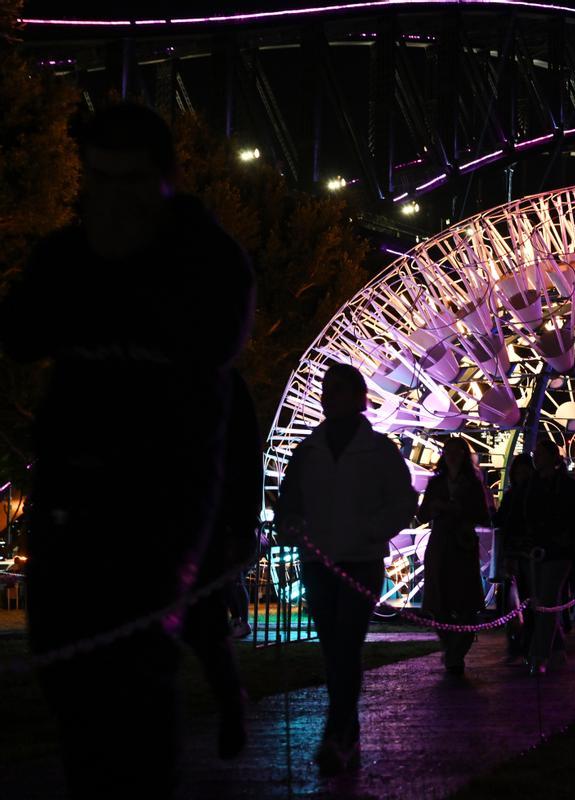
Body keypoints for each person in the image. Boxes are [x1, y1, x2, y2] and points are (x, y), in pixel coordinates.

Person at [0, 103, 254, 797]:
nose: (110, 199)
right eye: (97, 180)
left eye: (128, 181)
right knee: (64, 663)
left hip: (161, 494)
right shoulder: (67, 256)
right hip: (70, 486)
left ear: (168, 178)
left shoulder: (205, 260)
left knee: (134, 670)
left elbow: (215, 353)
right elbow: (20, 333)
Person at [277, 363, 417, 774]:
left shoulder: (380, 451)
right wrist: (290, 523)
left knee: (345, 645)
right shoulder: (308, 451)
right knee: (333, 649)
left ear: (358, 398)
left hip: (360, 561)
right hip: (319, 562)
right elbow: (289, 499)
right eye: (325, 389)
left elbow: (404, 501)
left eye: (337, 390)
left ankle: (335, 733)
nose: (327, 396)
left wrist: (373, 532)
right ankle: (346, 728)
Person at [181, 370, 261, 760]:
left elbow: (246, 457)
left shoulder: (220, 380)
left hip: (204, 521)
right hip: (188, 518)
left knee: (204, 620)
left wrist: (242, 525)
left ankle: (230, 701)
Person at [417, 436, 492, 675]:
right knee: (439, 602)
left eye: (456, 452)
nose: (451, 456)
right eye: (447, 451)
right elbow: (422, 515)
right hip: (441, 545)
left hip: (461, 545)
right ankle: (452, 648)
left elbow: (483, 515)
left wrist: (460, 510)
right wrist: (436, 507)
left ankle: (456, 652)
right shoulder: (436, 484)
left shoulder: (473, 484)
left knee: (466, 603)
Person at [524, 439, 575, 674]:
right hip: (535, 551)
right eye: (536, 453)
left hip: (558, 553)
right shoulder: (532, 486)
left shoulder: (566, 488)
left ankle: (538, 654)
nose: (536, 458)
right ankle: (556, 649)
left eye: (541, 453)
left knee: (546, 602)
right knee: (541, 602)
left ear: (553, 458)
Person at [494, 452, 535, 662]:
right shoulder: (515, 496)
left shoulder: (521, 495)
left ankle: (522, 645)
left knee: (523, 600)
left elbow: (501, 520)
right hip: (516, 553)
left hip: (524, 553)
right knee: (516, 602)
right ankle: (519, 645)